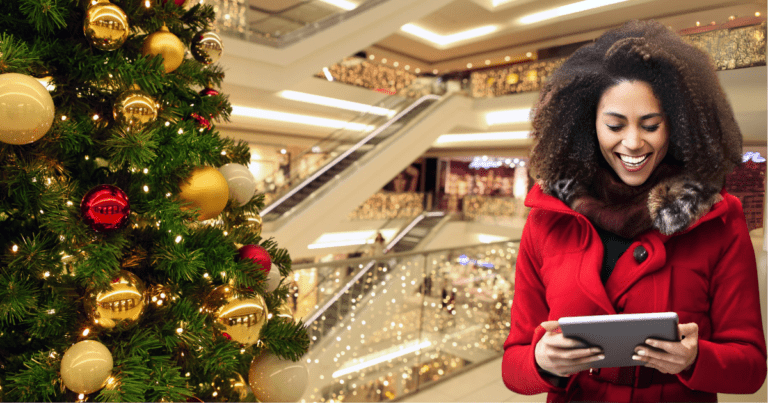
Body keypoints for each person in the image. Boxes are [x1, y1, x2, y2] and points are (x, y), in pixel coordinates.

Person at [501, 20, 766, 402]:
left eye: (651, 125)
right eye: (614, 125)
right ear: (587, 125)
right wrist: (541, 361)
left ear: (677, 126)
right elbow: (513, 368)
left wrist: (695, 358)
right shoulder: (547, 218)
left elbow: (751, 368)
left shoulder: (719, 218)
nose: (632, 143)